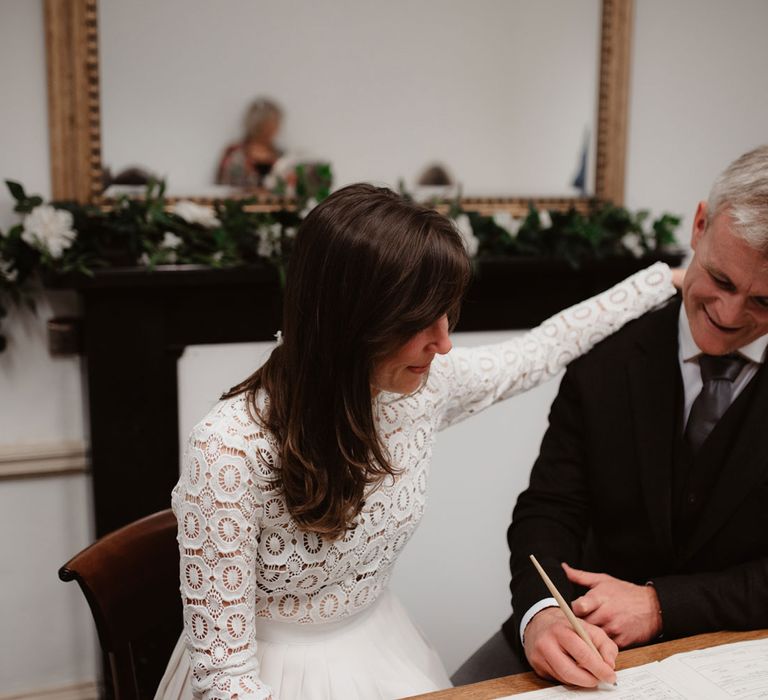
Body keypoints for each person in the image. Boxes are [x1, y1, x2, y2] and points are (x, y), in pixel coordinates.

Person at [155, 183, 675, 700]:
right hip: (265, 677)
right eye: (418, 321)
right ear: (348, 321)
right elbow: (225, 679)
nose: (444, 341)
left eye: (448, 312)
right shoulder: (229, 448)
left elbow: (542, 348)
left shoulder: (424, 385)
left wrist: (669, 281)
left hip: (380, 643)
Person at [453, 145, 768, 689]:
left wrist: (663, 605)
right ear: (699, 225)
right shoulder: (608, 347)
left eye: (764, 302)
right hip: (584, 626)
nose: (730, 313)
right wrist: (542, 615)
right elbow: (549, 508)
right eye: (719, 279)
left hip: (739, 644)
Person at [216, 97, 283, 188]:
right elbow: (222, 185)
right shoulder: (235, 153)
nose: (275, 128)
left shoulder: (280, 155)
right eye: (269, 124)